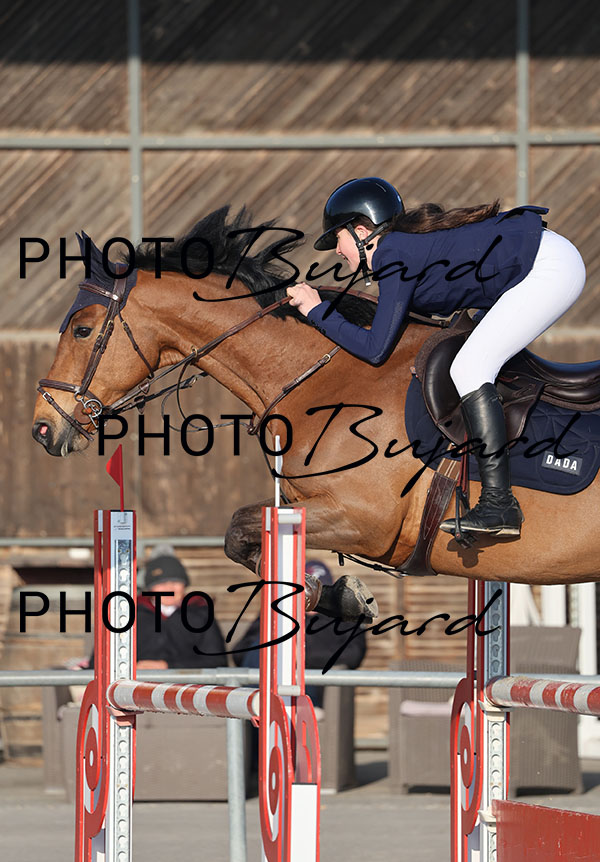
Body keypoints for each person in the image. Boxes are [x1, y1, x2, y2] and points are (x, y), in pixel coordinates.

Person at [287, 177, 586, 538]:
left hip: (548, 268)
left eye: (338, 238)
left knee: (470, 367)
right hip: (542, 263)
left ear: (362, 232)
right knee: (471, 360)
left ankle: (499, 505)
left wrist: (317, 310)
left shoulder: (393, 254)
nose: (336, 250)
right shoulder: (400, 250)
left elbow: (375, 349)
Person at [231, 560, 366, 711]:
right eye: (307, 591)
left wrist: (301, 655)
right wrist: (280, 651)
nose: (313, 597)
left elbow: (354, 654)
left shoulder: (343, 617)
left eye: (321, 592)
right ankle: (263, 707)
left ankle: (269, 707)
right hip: (268, 680)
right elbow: (239, 652)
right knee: (263, 647)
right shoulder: (278, 611)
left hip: (311, 684)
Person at [88, 548, 229, 670]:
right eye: (161, 583)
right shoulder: (129, 615)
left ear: (184, 586)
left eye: (175, 582)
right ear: (151, 588)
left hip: (186, 688)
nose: (169, 588)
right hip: (136, 686)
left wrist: (168, 666)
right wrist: (133, 668)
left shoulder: (201, 615)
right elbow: (101, 660)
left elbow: (217, 661)